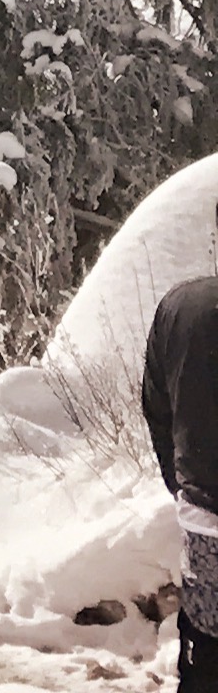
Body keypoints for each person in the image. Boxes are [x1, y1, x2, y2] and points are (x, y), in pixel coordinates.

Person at [142, 209, 218, 693]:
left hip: (205, 520)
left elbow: (156, 410)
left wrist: (184, 487)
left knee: (207, 644)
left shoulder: (182, 308)